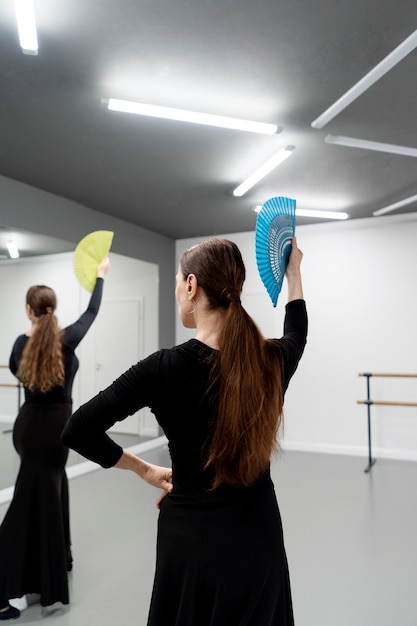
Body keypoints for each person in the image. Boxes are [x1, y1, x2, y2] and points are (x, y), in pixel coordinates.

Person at [61, 237, 307, 625]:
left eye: (178, 280)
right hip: (258, 533)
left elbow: (78, 429)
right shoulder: (272, 360)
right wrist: (293, 273)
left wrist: (145, 470)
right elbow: (297, 332)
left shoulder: (163, 368)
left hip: (191, 537)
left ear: (191, 286)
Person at [0, 256, 110, 621]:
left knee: (49, 491)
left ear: (29, 309)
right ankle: (10, 588)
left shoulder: (20, 344)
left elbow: (18, 372)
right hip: (58, 432)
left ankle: (55, 561)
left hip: (28, 429)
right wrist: (100, 276)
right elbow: (92, 312)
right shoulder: (68, 339)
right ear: (53, 309)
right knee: (38, 498)